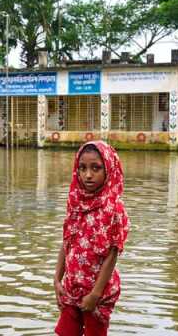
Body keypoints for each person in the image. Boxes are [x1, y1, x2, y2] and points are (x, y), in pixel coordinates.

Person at [54, 141, 130, 336]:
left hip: (98, 293)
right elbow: (66, 242)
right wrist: (57, 280)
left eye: (95, 168)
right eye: (82, 168)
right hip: (71, 287)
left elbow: (112, 256)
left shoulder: (113, 209)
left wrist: (95, 294)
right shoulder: (75, 202)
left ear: (108, 169)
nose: (88, 175)